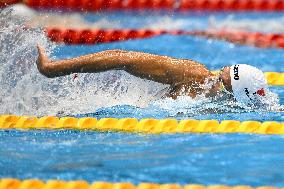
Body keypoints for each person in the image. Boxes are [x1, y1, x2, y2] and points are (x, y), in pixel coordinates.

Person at [36, 45, 271, 106]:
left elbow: (121, 58)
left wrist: (54, 68)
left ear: (229, 77)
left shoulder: (194, 73)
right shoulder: (223, 106)